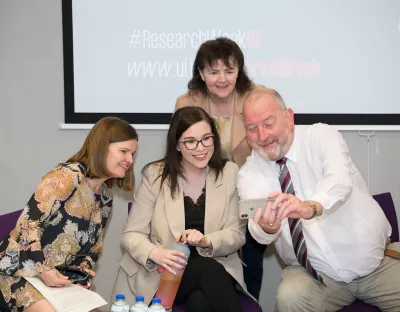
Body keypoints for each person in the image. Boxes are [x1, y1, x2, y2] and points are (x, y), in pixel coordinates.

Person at [237, 88, 400, 312]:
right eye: (252, 129)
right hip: (314, 276)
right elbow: (257, 228)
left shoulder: (321, 136)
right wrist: (265, 228)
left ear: (288, 117)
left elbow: (340, 181)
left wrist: (310, 207)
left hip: (377, 264)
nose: (262, 136)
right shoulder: (249, 173)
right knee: (289, 298)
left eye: (268, 123)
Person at [112, 106, 258, 311]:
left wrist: (207, 241)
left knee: (201, 301)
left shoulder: (229, 173)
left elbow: (237, 234)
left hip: (216, 269)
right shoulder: (155, 175)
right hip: (162, 275)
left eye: (206, 138)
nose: (200, 148)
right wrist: (157, 253)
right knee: (206, 271)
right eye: (190, 141)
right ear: (178, 145)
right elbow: (131, 234)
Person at [0, 117, 138, 312]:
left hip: (55, 283)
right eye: (124, 151)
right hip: (17, 273)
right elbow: (28, 224)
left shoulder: (105, 198)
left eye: (132, 153)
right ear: (101, 146)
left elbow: (92, 252)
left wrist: (80, 275)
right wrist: (44, 269)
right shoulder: (67, 176)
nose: (130, 160)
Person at [174, 37, 267, 299]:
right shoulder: (186, 102)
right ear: (201, 73)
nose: (222, 78)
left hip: (247, 192)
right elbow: (178, 149)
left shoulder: (256, 98)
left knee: (251, 257)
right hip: (205, 195)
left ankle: (249, 300)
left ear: (240, 70)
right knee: (206, 264)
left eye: (229, 70)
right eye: (213, 71)